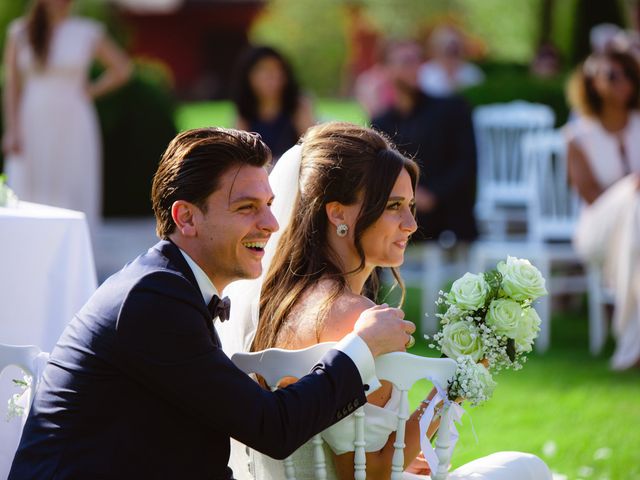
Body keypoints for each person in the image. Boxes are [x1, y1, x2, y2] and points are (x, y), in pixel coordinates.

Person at [8, 127, 417, 479]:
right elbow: (271, 427)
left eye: (270, 206)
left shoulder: (171, 287)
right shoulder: (152, 299)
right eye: (246, 208)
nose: (271, 225)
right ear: (186, 218)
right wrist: (359, 348)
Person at [220, 122, 552, 479]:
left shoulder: (280, 303)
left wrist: (406, 452)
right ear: (338, 213)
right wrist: (457, 382)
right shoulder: (360, 321)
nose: (411, 223)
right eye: (394, 205)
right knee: (526, 468)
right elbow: (371, 472)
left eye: (410, 205)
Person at [2, 0, 131, 230]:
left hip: (73, 121)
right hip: (31, 119)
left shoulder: (87, 32)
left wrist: (90, 91)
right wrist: (12, 129)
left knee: (70, 182)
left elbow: (122, 69)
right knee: (31, 183)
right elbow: (12, 85)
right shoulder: (20, 32)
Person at [565, 50, 640, 370]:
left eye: (628, 74)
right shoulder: (577, 136)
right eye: (612, 75)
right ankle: (631, 341)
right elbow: (591, 195)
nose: (622, 82)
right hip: (597, 229)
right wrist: (630, 188)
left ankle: (632, 341)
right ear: (592, 84)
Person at [372, 40, 478, 246]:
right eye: (405, 61)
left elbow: (467, 164)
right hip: (401, 210)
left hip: (446, 210)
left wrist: (433, 194)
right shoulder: (380, 123)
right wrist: (408, 197)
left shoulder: (452, 109)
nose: (415, 67)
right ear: (386, 70)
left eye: (417, 60)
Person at [232, 45, 314, 162]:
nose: (271, 76)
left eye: (276, 69)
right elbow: (241, 155)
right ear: (248, 76)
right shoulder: (243, 110)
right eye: (263, 70)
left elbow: (311, 146)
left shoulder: (299, 105)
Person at [417, 26, 484, 98]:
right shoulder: (425, 72)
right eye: (446, 48)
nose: (451, 52)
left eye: (455, 49)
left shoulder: (472, 72)